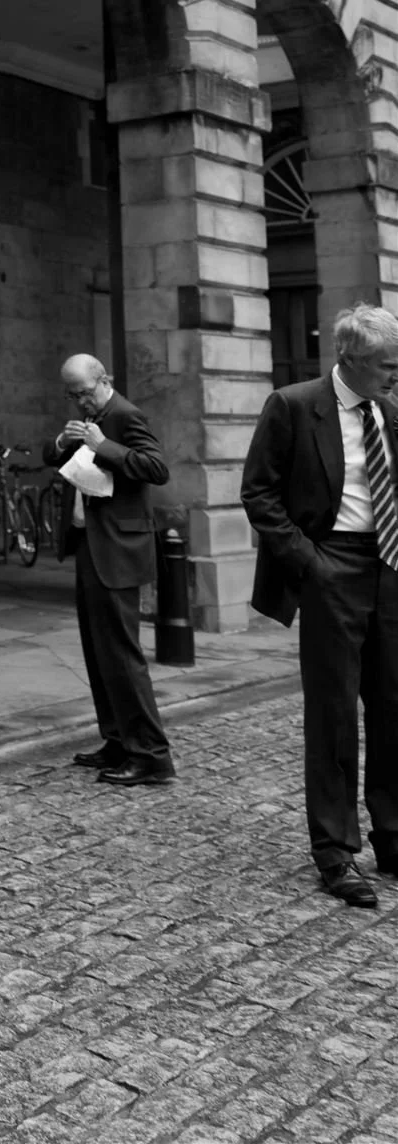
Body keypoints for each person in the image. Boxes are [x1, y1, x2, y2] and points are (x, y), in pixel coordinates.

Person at [241, 303, 398, 910]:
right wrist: (311, 564)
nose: (395, 375)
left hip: (391, 567)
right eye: (386, 366)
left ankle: (393, 834)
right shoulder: (292, 405)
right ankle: (335, 852)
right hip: (331, 565)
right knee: (333, 714)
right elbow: (258, 491)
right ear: (351, 360)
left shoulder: (391, 408)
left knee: (394, 708)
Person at [47, 353, 175, 788]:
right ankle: (117, 739)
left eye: (84, 392)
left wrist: (104, 446)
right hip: (90, 546)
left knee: (122, 656)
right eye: (72, 394)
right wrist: (64, 443)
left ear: (105, 381)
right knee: (99, 655)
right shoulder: (87, 420)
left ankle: (151, 755)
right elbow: (55, 456)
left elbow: (157, 468)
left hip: (120, 549)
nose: (79, 401)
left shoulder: (125, 415)